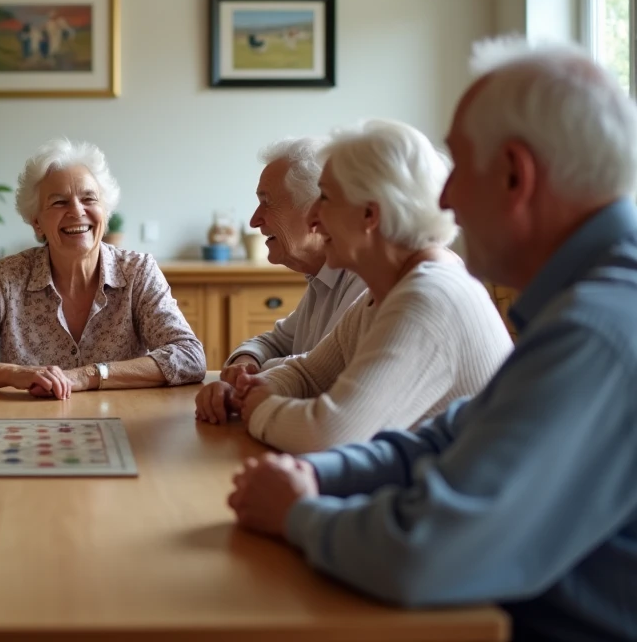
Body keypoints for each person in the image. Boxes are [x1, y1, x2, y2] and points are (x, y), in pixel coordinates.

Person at [228, 38, 637, 642]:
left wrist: (298, 516)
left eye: (460, 167)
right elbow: (444, 441)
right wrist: (320, 480)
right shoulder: (580, 303)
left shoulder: (595, 329)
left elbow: (425, 554)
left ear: (515, 175)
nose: (444, 200)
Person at [197, 120, 512, 453]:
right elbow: (308, 374)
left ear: (369, 215)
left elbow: (328, 433)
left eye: (327, 199)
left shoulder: (429, 296)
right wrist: (251, 388)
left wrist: (256, 405)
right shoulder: (387, 292)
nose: (314, 218)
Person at [0, 138, 206, 397]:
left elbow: (189, 357)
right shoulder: (9, 277)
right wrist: (16, 374)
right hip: (30, 432)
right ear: (36, 222)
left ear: (105, 211)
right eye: (59, 202)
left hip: (124, 425)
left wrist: (88, 376)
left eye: (89, 198)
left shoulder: (138, 271)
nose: (77, 211)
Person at [220, 137, 366, 386]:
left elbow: (320, 372)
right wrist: (246, 361)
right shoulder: (322, 278)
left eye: (267, 202)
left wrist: (254, 375)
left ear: (315, 207)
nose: (254, 221)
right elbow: (272, 343)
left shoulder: (365, 278)